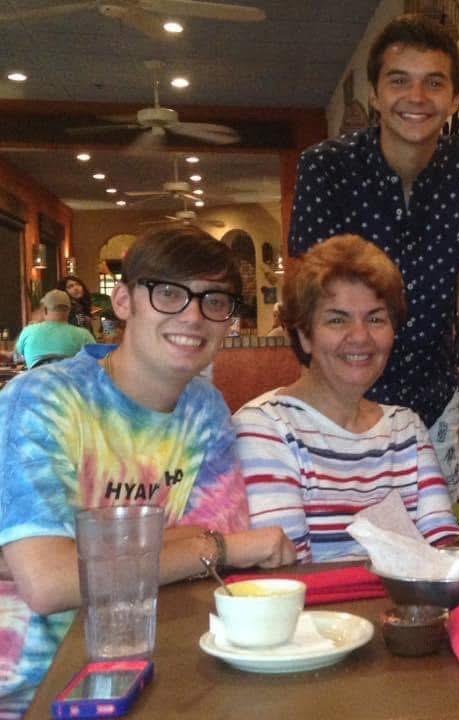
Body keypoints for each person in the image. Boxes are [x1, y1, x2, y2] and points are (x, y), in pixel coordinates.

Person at [0, 227, 295, 716]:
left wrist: (81, 555)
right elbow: (50, 583)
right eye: (169, 292)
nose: (193, 316)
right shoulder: (44, 398)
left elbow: (220, 561)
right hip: (29, 689)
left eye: (214, 300)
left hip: (159, 671)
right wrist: (211, 547)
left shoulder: (206, 408)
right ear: (123, 301)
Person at [288, 14, 459, 497]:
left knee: (433, 541)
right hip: (340, 393)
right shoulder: (327, 168)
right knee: (341, 539)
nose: (416, 98)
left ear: (454, 97)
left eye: (434, 83)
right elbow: (308, 297)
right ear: (375, 94)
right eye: (399, 81)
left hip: (433, 397)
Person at [234, 234, 459, 563]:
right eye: (337, 319)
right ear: (304, 335)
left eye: (375, 319)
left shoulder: (406, 429)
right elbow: (289, 575)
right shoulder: (264, 429)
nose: (360, 336)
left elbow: (443, 556)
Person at [13, 289, 95, 368]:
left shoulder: (29, 331)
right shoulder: (84, 335)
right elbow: (96, 361)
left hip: (37, 381)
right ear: (69, 310)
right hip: (70, 381)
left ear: (44, 310)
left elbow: (17, 357)